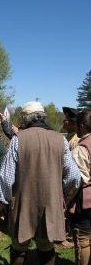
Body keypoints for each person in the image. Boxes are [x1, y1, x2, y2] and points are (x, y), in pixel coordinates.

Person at [0, 101, 81, 265]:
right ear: (42, 117)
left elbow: (5, 178)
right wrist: (59, 195)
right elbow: (74, 177)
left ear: (24, 120)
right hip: (50, 206)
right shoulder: (60, 140)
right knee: (46, 251)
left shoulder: (18, 140)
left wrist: (1, 204)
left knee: (19, 249)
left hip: (23, 204)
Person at [64, 111, 91, 265]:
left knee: (82, 236)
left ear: (81, 126)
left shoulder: (82, 147)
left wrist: (65, 201)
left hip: (85, 198)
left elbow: (77, 180)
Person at [56, 107, 80, 250]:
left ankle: (70, 238)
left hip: (73, 182)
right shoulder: (69, 136)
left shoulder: (75, 140)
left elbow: (74, 167)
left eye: (67, 119)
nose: (64, 120)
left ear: (73, 123)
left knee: (70, 208)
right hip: (66, 179)